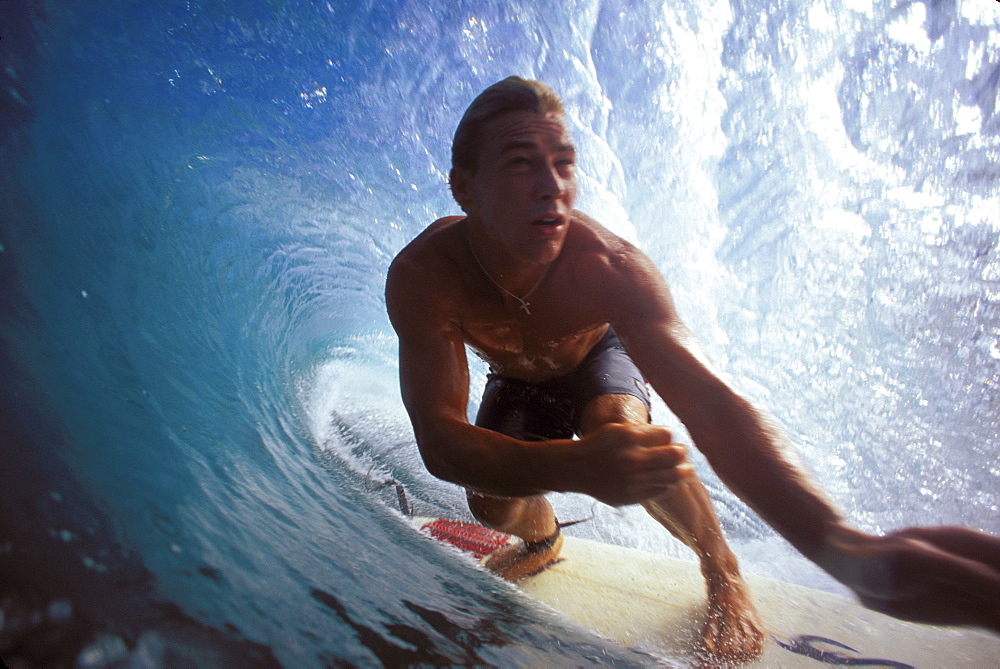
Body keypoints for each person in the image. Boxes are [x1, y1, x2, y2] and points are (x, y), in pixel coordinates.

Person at [385, 76, 1000, 660]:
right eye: (522, 164)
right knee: (490, 503)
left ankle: (722, 568)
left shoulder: (609, 268)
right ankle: (543, 541)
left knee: (624, 438)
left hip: (598, 357)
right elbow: (440, 441)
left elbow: (711, 405)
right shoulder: (425, 277)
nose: (553, 187)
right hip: (516, 378)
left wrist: (837, 543)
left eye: (565, 163)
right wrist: (572, 468)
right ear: (465, 187)